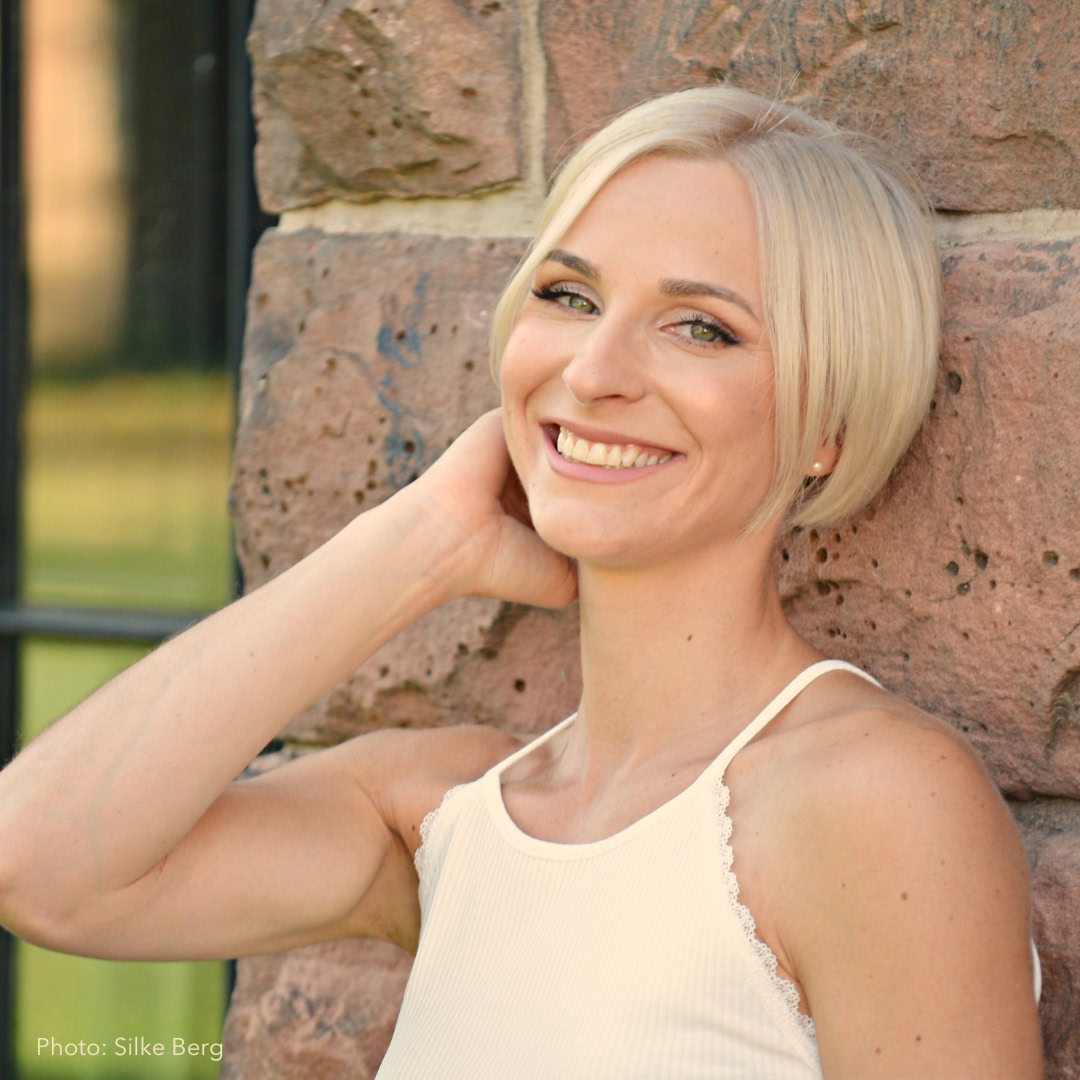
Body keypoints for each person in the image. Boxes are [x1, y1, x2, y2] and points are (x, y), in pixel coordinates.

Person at [0, 86, 1043, 1078]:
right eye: (569, 295)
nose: (593, 371)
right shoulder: (449, 814)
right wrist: (419, 540)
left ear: (829, 427)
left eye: (700, 326)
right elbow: (40, 865)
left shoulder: (873, 805)